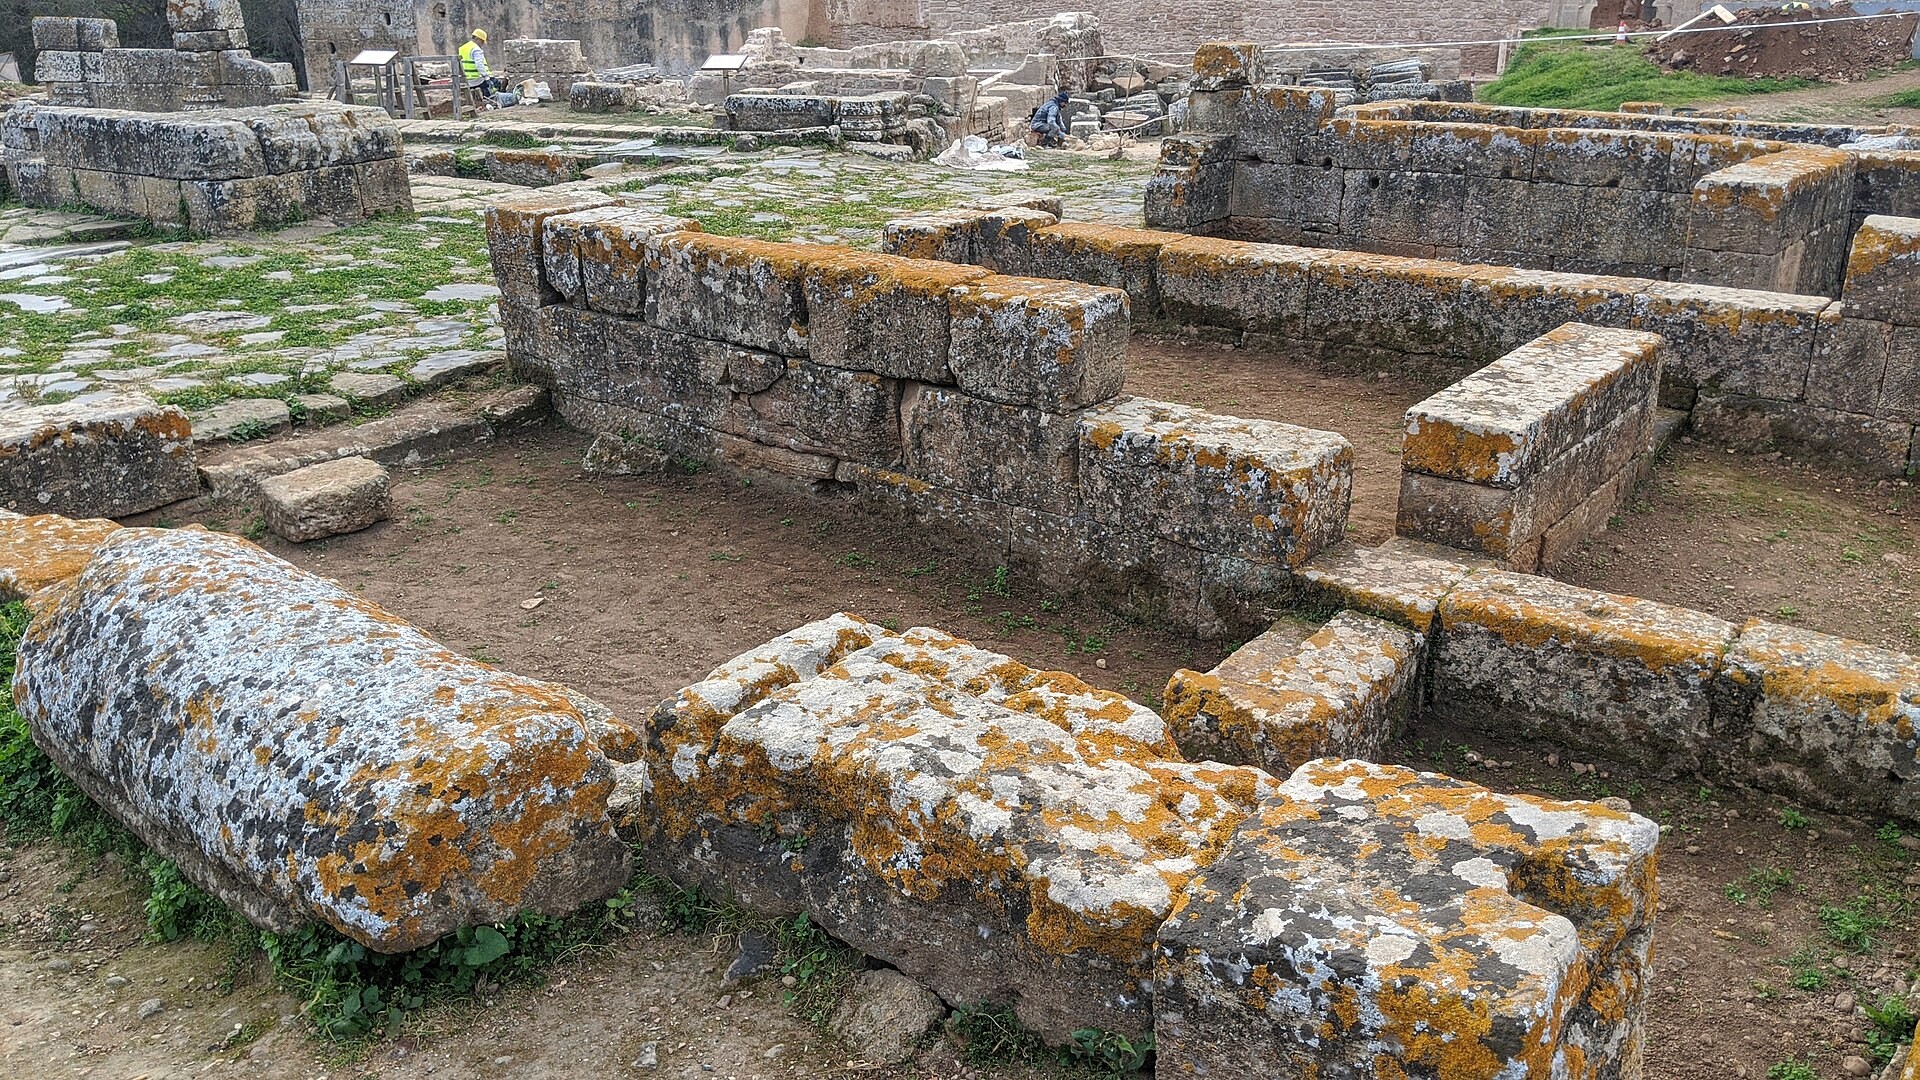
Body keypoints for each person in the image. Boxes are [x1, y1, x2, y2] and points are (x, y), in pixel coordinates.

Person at [458, 28, 506, 99]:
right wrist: (486, 77)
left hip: (466, 80)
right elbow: (479, 64)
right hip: (477, 80)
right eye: (482, 41)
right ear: (478, 39)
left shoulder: (462, 48)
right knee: (497, 84)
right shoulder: (476, 49)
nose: (482, 44)